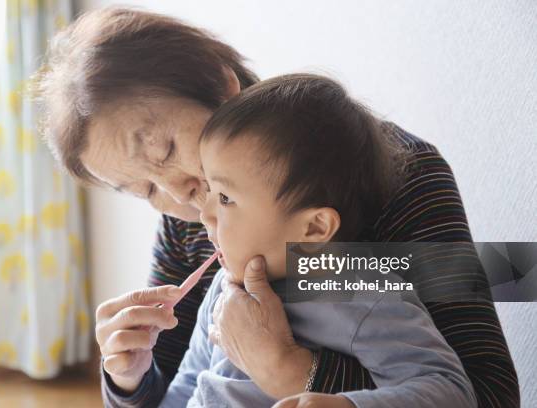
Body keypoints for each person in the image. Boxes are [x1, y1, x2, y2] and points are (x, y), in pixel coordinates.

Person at [34, 6, 519, 408]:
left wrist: (288, 369)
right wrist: (127, 379)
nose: (183, 196)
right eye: (144, 190)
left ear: (224, 87)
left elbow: (489, 393)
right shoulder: (192, 224)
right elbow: (182, 389)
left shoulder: (397, 175)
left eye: (163, 151)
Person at [158, 73, 478, 408]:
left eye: (225, 198)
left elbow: (452, 392)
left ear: (313, 228)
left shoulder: (360, 293)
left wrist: (349, 405)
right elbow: (186, 386)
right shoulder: (223, 288)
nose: (205, 214)